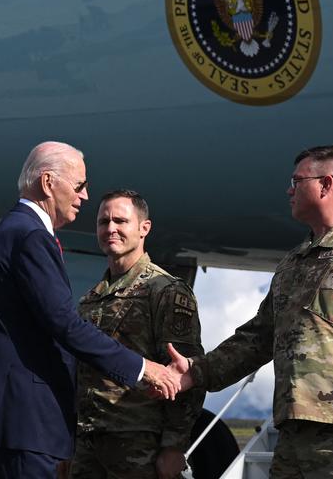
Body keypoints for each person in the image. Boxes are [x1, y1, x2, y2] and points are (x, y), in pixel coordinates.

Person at [164, 145, 333, 478]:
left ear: (326, 184)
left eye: (296, 180)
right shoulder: (294, 262)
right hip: (294, 435)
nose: (289, 189)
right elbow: (258, 338)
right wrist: (196, 372)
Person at [0, 141, 182, 478]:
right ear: (49, 183)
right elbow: (63, 323)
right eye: (79, 185)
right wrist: (142, 368)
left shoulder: (12, 231)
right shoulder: (31, 236)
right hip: (25, 417)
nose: (85, 196)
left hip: (13, 417)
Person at [71, 190, 205, 478]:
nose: (110, 229)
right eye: (103, 222)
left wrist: (174, 447)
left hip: (140, 444)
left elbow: (187, 374)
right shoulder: (89, 299)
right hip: (87, 443)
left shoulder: (165, 291)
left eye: (120, 221)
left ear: (144, 228)